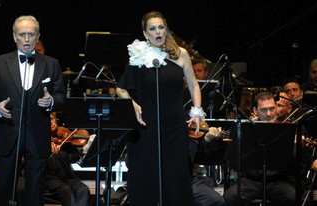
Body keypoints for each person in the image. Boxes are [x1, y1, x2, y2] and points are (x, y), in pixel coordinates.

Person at [116, 11, 203, 205]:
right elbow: (121, 89)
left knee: (174, 173)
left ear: (166, 29)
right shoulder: (138, 55)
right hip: (145, 126)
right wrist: (132, 103)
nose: (158, 32)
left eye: (161, 27)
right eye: (153, 29)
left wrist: (197, 111)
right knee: (146, 172)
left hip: (174, 125)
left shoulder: (181, 54)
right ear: (146, 33)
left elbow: (194, 84)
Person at [0, 15, 66, 205]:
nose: (26, 39)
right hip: (7, 131)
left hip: (37, 135)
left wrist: (51, 101)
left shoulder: (51, 64)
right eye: (22, 34)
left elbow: (61, 96)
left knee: (35, 189)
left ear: (37, 36)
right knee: (3, 187)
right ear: (14, 37)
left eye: (31, 34)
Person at [223, 92, 296, 206]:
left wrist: (295, 146)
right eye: (263, 110)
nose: (269, 114)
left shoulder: (287, 129)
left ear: (276, 107)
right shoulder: (247, 129)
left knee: (292, 197)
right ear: (255, 111)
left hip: (277, 181)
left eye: (272, 108)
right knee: (230, 196)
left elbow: (294, 164)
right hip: (250, 181)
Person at [45, 112, 90, 206]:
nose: (51, 122)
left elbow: (72, 159)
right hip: (48, 178)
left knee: (83, 190)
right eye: (48, 120)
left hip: (66, 176)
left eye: (53, 119)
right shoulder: (39, 138)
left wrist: (82, 150)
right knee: (66, 191)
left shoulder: (65, 135)